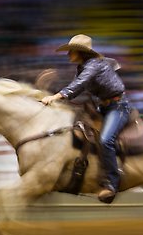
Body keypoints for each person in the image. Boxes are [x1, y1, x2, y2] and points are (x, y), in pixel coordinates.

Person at [41, 34, 131, 203]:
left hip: (117, 107)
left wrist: (55, 97)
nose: (68, 54)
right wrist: (54, 95)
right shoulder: (84, 67)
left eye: (71, 51)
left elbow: (78, 85)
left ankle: (112, 183)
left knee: (105, 140)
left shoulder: (93, 65)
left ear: (80, 53)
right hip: (103, 107)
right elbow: (76, 89)